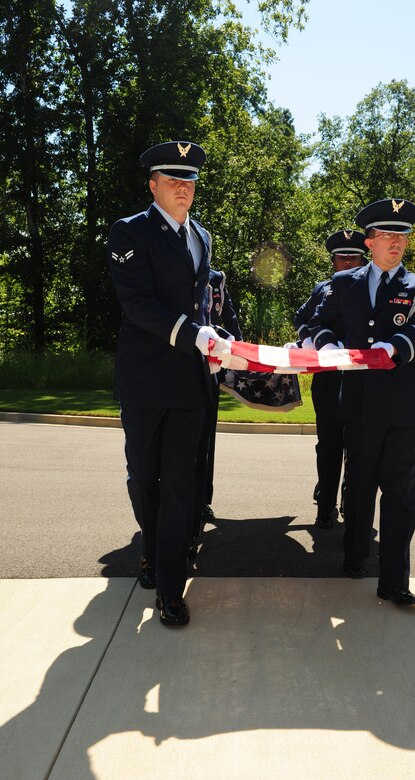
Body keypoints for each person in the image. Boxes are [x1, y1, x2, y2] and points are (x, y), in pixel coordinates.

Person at [107, 140, 227, 627]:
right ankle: (154, 551)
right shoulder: (129, 232)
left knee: (181, 486)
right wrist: (194, 333)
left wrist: (214, 340)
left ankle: (171, 591)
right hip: (144, 381)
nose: (184, 187)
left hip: (189, 385)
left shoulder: (202, 236)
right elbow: (136, 304)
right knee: (144, 478)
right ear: (152, 185)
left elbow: (201, 305)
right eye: (173, 179)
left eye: (190, 179)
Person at [309, 199, 415, 605]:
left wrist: (394, 347)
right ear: (370, 241)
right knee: (361, 486)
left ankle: (395, 579)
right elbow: (315, 322)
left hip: (404, 407)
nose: (396, 242)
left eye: (401, 235)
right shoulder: (344, 284)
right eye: (387, 235)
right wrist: (328, 346)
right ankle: (355, 556)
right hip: (361, 405)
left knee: (401, 492)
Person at [294, 229, 368, 529]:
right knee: (328, 444)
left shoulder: (374, 289)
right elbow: (303, 318)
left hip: (363, 379)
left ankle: (351, 504)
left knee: (358, 444)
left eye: (354, 257)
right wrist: (309, 342)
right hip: (328, 378)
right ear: (334, 261)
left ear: (364, 259)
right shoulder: (324, 289)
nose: (348, 263)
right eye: (342, 258)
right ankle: (325, 504)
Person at [190, 268, 243, 558]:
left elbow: (228, 319)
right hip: (179, 370)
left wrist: (242, 353)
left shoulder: (216, 278)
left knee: (206, 443)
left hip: (209, 373)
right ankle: (188, 511)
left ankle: (202, 501)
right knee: (187, 447)